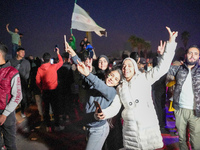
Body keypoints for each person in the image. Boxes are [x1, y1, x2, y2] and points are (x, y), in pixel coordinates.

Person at [95, 26, 178, 150]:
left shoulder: (144, 78)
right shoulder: (120, 87)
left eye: (129, 65)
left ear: (134, 68)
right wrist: (104, 113)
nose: (126, 68)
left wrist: (170, 44)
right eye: (124, 66)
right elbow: (115, 107)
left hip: (147, 130)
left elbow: (163, 68)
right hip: (130, 133)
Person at [66, 42, 123, 150]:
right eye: (111, 75)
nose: (112, 79)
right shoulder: (98, 80)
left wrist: (87, 73)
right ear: (108, 74)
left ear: (117, 84)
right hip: (89, 124)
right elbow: (83, 71)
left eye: (116, 79)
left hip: (99, 129)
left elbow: (97, 83)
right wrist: (73, 54)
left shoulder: (111, 92)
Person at [167, 45, 200, 150]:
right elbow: (163, 68)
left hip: (196, 111)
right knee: (182, 139)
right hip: (180, 109)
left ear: (199, 56)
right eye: (190, 53)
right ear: (186, 55)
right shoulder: (178, 69)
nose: (192, 56)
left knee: (196, 140)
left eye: (195, 54)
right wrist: (163, 54)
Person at [0, 42, 22, 150]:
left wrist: (5, 114)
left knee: (10, 145)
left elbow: (18, 96)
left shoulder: (12, 72)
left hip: (7, 114)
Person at [36, 48, 63, 132]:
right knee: (55, 109)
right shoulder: (54, 66)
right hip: (54, 91)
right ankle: (57, 125)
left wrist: (41, 88)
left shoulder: (40, 69)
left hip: (45, 91)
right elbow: (61, 62)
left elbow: (37, 81)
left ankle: (48, 126)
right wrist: (58, 53)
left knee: (46, 109)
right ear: (50, 59)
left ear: (43, 59)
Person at [9, 47, 31, 118]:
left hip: (23, 83)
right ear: (17, 52)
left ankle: (22, 111)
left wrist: (24, 78)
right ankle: (11, 111)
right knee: (12, 97)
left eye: (24, 52)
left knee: (23, 98)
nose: (23, 53)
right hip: (13, 83)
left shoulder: (26, 62)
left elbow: (28, 72)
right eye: (22, 52)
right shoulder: (11, 61)